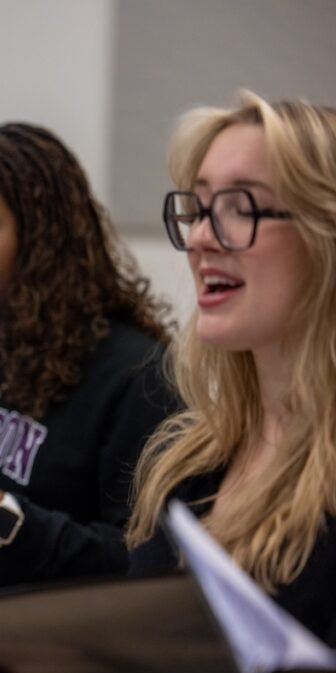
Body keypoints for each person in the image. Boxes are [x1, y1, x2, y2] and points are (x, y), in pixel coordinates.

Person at [0, 122, 175, 589]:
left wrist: (1, 514)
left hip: (67, 653)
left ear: (43, 240)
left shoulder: (136, 373)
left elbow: (144, 566)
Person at [128, 92, 336, 643]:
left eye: (240, 208)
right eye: (198, 209)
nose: (199, 238)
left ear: (326, 234)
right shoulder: (190, 460)